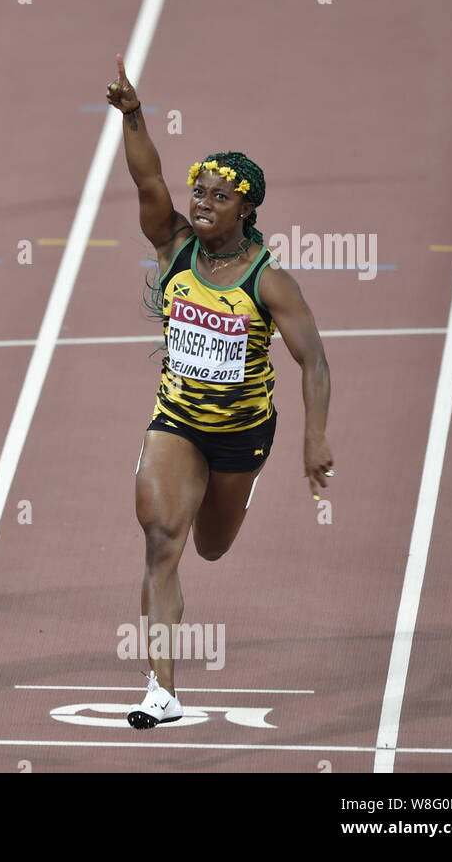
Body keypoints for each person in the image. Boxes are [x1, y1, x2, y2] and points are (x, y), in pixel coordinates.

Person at [105, 56, 333, 728]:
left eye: (218, 196)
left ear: (248, 208)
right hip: (176, 419)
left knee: (210, 546)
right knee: (161, 539)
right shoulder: (174, 244)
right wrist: (134, 116)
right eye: (198, 191)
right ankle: (162, 690)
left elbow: (314, 360)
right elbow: (147, 176)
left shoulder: (269, 281)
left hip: (241, 433)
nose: (201, 202)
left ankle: (235, 489)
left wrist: (313, 435)